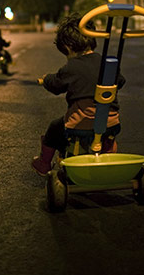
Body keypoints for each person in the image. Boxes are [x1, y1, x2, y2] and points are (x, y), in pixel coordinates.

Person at [31, 14, 125, 176]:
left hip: (81, 124)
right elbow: (121, 82)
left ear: (67, 47)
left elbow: (56, 85)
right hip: (111, 123)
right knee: (104, 129)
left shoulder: (71, 67)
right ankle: (107, 152)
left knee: (55, 127)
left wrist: (46, 79)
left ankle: (44, 163)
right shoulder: (107, 64)